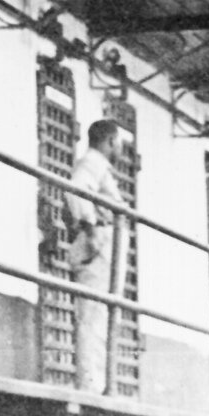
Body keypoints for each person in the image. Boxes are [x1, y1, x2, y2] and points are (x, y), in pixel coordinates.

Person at [65, 119, 124, 395]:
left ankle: (96, 382)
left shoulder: (98, 166)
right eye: (119, 142)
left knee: (100, 316)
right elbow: (76, 190)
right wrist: (90, 230)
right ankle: (90, 384)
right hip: (99, 246)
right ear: (111, 141)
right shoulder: (93, 163)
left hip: (104, 246)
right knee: (93, 316)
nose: (121, 148)